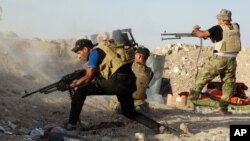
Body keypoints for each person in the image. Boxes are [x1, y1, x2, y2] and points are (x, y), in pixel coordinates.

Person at [64, 39, 165, 134]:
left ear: (86, 49)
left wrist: (73, 84)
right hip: (129, 83)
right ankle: (158, 127)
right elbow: (97, 73)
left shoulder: (94, 53)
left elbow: (88, 77)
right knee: (128, 112)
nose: (78, 56)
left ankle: (71, 125)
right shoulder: (107, 52)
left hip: (118, 81)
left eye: (79, 53)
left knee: (81, 91)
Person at [187, 9, 241, 115]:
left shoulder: (217, 28)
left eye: (218, 19)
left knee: (201, 79)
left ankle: (191, 103)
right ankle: (223, 108)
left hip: (219, 59)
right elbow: (222, 38)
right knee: (228, 84)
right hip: (232, 60)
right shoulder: (236, 26)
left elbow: (201, 34)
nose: (217, 21)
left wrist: (196, 29)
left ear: (222, 19)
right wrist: (211, 36)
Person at [109, 47, 153, 113]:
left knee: (113, 102)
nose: (134, 55)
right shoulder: (149, 72)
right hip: (140, 102)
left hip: (126, 101)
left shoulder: (132, 66)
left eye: (136, 54)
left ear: (139, 56)